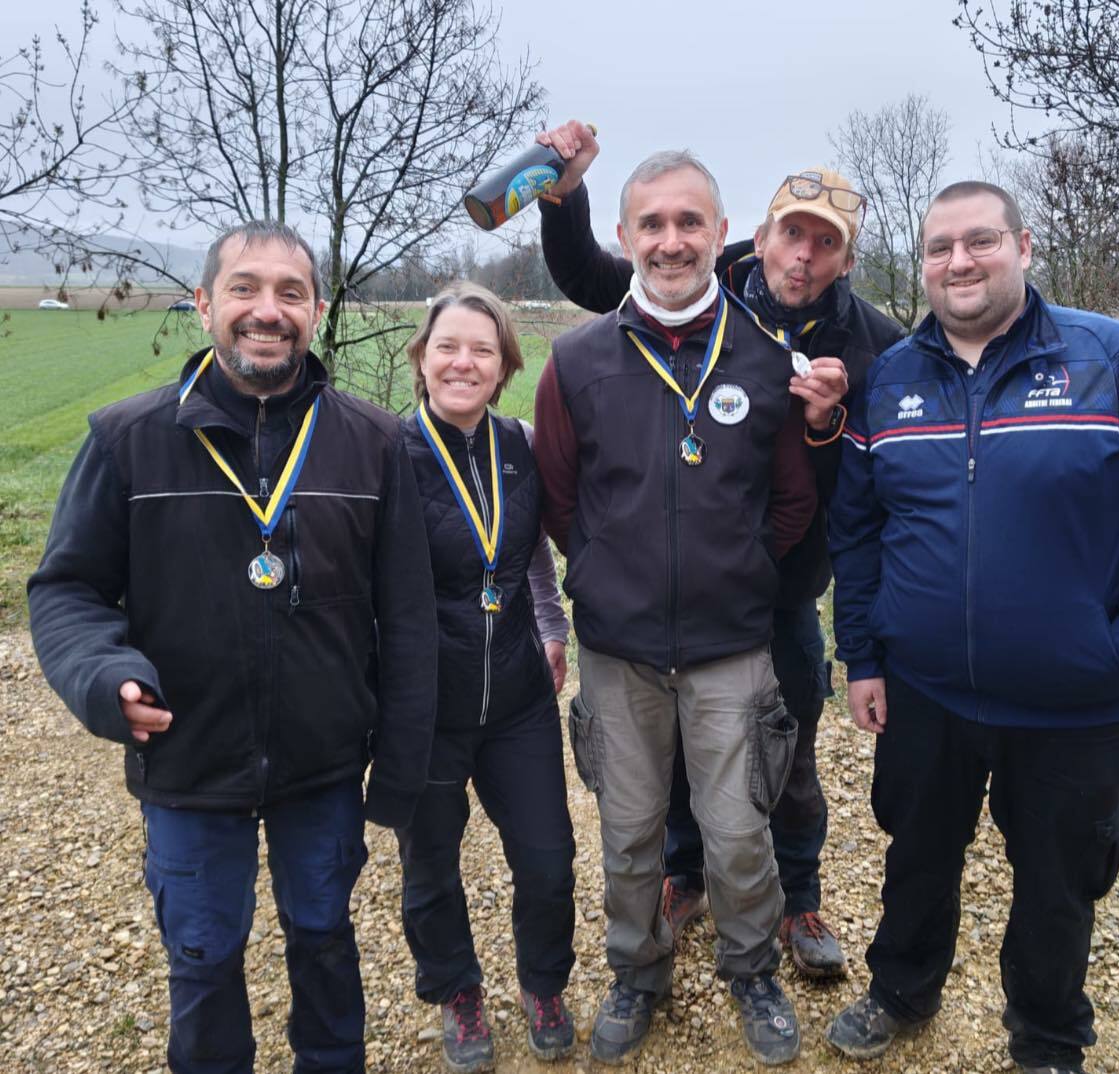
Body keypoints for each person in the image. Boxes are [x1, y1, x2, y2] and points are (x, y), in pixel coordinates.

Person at [827, 181, 1119, 1073]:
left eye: (980, 241)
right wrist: (861, 653)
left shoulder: (1115, 358)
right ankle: (901, 990)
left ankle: (1047, 1035)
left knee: (1058, 882)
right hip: (928, 692)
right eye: (940, 248)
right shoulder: (892, 377)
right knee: (918, 855)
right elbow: (856, 530)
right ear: (923, 263)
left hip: (1076, 699)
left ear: (1023, 245)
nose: (958, 262)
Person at [26, 221, 436, 1074]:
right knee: (205, 956)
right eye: (245, 289)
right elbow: (66, 590)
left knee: (323, 935)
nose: (268, 310)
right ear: (206, 303)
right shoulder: (125, 439)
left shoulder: (374, 442)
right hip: (188, 759)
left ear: (317, 311)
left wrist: (397, 767)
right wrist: (106, 676)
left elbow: (406, 619)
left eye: (291, 293)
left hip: (323, 767)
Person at [535, 119, 903, 978]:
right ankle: (682, 873)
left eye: (826, 244)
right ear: (758, 233)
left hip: (776, 586)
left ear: (847, 259)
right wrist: (564, 197)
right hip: (656, 591)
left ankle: (798, 898)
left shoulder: (874, 345)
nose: (802, 257)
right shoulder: (712, 269)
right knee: (666, 752)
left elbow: (868, 478)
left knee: (785, 748)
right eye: (791, 234)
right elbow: (595, 277)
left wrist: (832, 421)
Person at [533, 149, 817, 1066]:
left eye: (689, 222)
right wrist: (619, 573)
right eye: (650, 224)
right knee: (628, 833)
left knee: (738, 829)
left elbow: (791, 502)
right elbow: (561, 498)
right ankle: (635, 971)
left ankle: (751, 971)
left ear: (720, 234)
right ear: (623, 237)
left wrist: (728, 568)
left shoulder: (768, 360)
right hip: (621, 652)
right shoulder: (576, 361)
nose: (670, 241)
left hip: (733, 649)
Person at [396, 282, 577, 1073]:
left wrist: (550, 625)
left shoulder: (522, 443)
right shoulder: (387, 453)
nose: (463, 361)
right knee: (430, 863)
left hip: (515, 698)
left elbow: (531, 547)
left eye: (482, 349)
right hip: (423, 706)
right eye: (448, 347)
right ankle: (458, 993)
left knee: (548, 858)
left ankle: (543, 984)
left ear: (504, 364)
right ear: (422, 360)